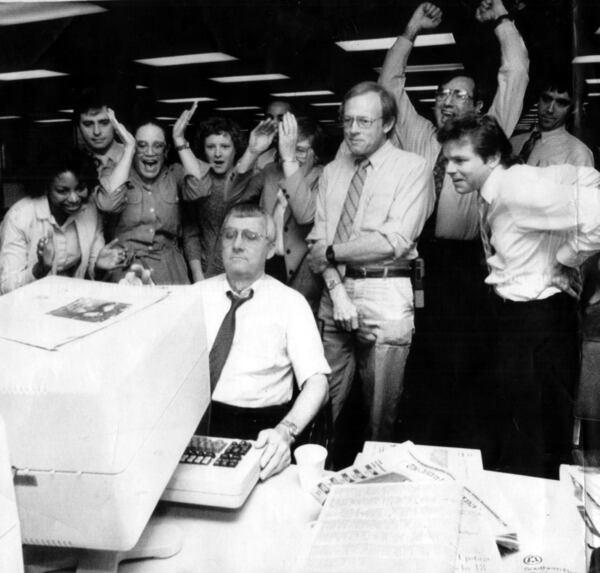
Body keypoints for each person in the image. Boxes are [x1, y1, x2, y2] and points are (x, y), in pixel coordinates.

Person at [377, 0, 528, 448]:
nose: (447, 99)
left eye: (459, 94)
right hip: (424, 265)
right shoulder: (422, 137)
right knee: (423, 363)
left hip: (474, 266)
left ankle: (467, 449)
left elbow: (515, 73)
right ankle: (423, 445)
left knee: (471, 364)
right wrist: (410, 31)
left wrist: (502, 22)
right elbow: (390, 84)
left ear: (478, 105)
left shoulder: (491, 132)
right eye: (442, 93)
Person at [437, 114, 600, 478]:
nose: (450, 169)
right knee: (519, 431)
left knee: (534, 441)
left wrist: (565, 258)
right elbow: (587, 177)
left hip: (538, 323)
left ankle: (537, 525)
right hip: (518, 319)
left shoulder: (515, 189)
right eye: (447, 159)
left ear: (492, 158)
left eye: (460, 160)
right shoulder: (512, 181)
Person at [307, 81, 433, 442]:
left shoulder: (413, 167)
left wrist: (333, 251)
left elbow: (395, 241)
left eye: (364, 122)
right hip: (335, 295)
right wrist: (338, 293)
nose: (353, 130)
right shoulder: (333, 170)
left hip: (385, 294)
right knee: (321, 404)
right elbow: (317, 241)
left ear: (388, 124)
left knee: (381, 417)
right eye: (347, 121)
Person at [196, 202, 330, 480]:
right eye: (230, 235)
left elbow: (318, 382)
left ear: (270, 249)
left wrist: (285, 431)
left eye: (250, 236)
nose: (237, 244)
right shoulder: (195, 295)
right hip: (192, 427)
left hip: (260, 433)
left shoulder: (291, 303)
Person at [94, 105, 210, 284]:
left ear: (166, 150)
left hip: (170, 271)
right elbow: (108, 203)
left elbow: (200, 189)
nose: (150, 153)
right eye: (142, 145)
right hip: (124, 270)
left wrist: (179, 139)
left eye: (158, 146)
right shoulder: (115, 172)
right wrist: (129, 147)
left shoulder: (176, 174)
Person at [231, 112, 325, 311]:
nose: (289, 155)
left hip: (302, 274)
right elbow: (232, 197)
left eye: (299, 150)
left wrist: (290, 158)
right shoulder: (271, 171)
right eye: (287, 148)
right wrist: (252, 151)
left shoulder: (323, 177)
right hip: (266, 264)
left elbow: (304, 214)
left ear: (315, 154)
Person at [0, 150, 125, 294]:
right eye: (62, 191)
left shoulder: (90, 210)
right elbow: (5, 287)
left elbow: (92, 275)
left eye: (80, 188)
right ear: (46, 187)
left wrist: (98, 268)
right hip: (30, 304)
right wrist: (39, 270)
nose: (74, 198)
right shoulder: (19, 217)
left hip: (72, 300)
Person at [183, 116, 247, 280]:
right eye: (211, 147)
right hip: (205, 270)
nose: (217, 153)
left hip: (243, 268)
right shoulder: (198, 182)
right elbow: (191, 232)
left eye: (225, 146)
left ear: (235, 149)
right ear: (203, 150)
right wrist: (198, 274)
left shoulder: (248, 180)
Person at [511, 76, 594, 167]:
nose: (550, 109)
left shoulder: (579, 153)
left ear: (572, 109)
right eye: (546, 99)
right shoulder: (514, 143)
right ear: (538, 99)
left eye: (561, 103)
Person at [75, 88, 124, 171]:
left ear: (115, 123)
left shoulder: (136, 157)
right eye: (88, 124)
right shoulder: (74, 163)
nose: (96, 132)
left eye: (104, 122)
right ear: (78, 127)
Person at [255, 100, 292, 171]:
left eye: (281, 118)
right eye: (270, 117)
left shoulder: (303, 156)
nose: (274, 122)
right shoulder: (262, 160)